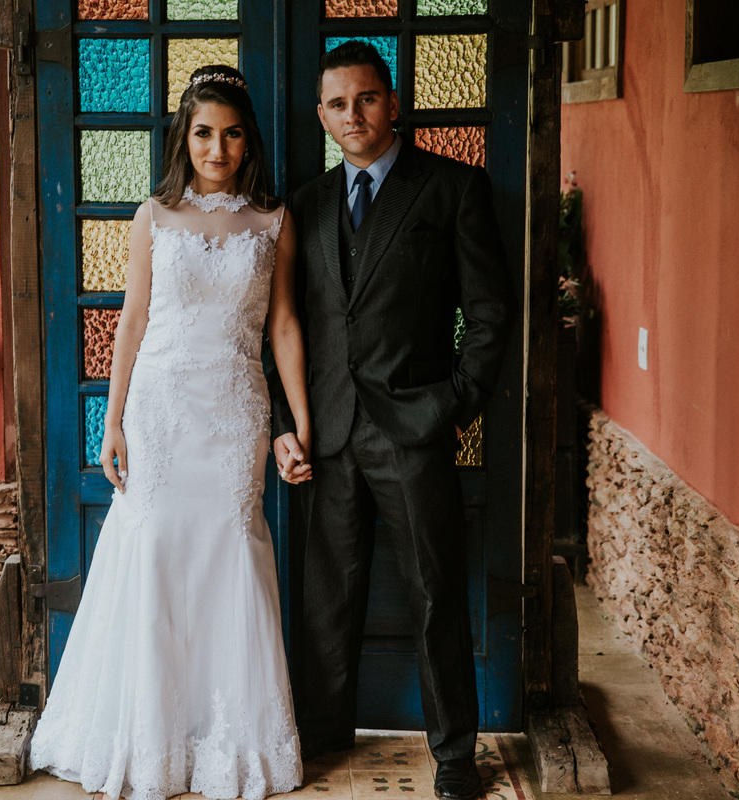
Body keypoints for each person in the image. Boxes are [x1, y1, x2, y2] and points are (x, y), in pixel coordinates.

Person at [29, 65, 310, 800]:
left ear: (249, 141)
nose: (218, 148)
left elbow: (283, 324)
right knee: (151, 552)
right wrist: (112, 419)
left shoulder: (274, 221)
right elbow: (132, 321)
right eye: (204, 133)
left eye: (232, 134)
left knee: (231, 555)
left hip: (234, 412)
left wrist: (297, 424)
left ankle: (227, 742)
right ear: (184, 139)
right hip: (158, 411)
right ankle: (149, 741)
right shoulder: (152, 216)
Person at [270, 41, 513, 800]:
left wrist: (454, 404)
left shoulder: (450, 189)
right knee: (325, 600)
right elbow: (284, 325)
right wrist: (288, 422)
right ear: (320, 114)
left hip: (414, 432)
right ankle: (322, 736)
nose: (354, 115)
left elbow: (490, 312)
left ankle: (454, 759)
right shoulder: (305, 205)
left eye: (367, 99)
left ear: (394, 102)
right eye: (338, 103)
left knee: (435, 594)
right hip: (327, 435)